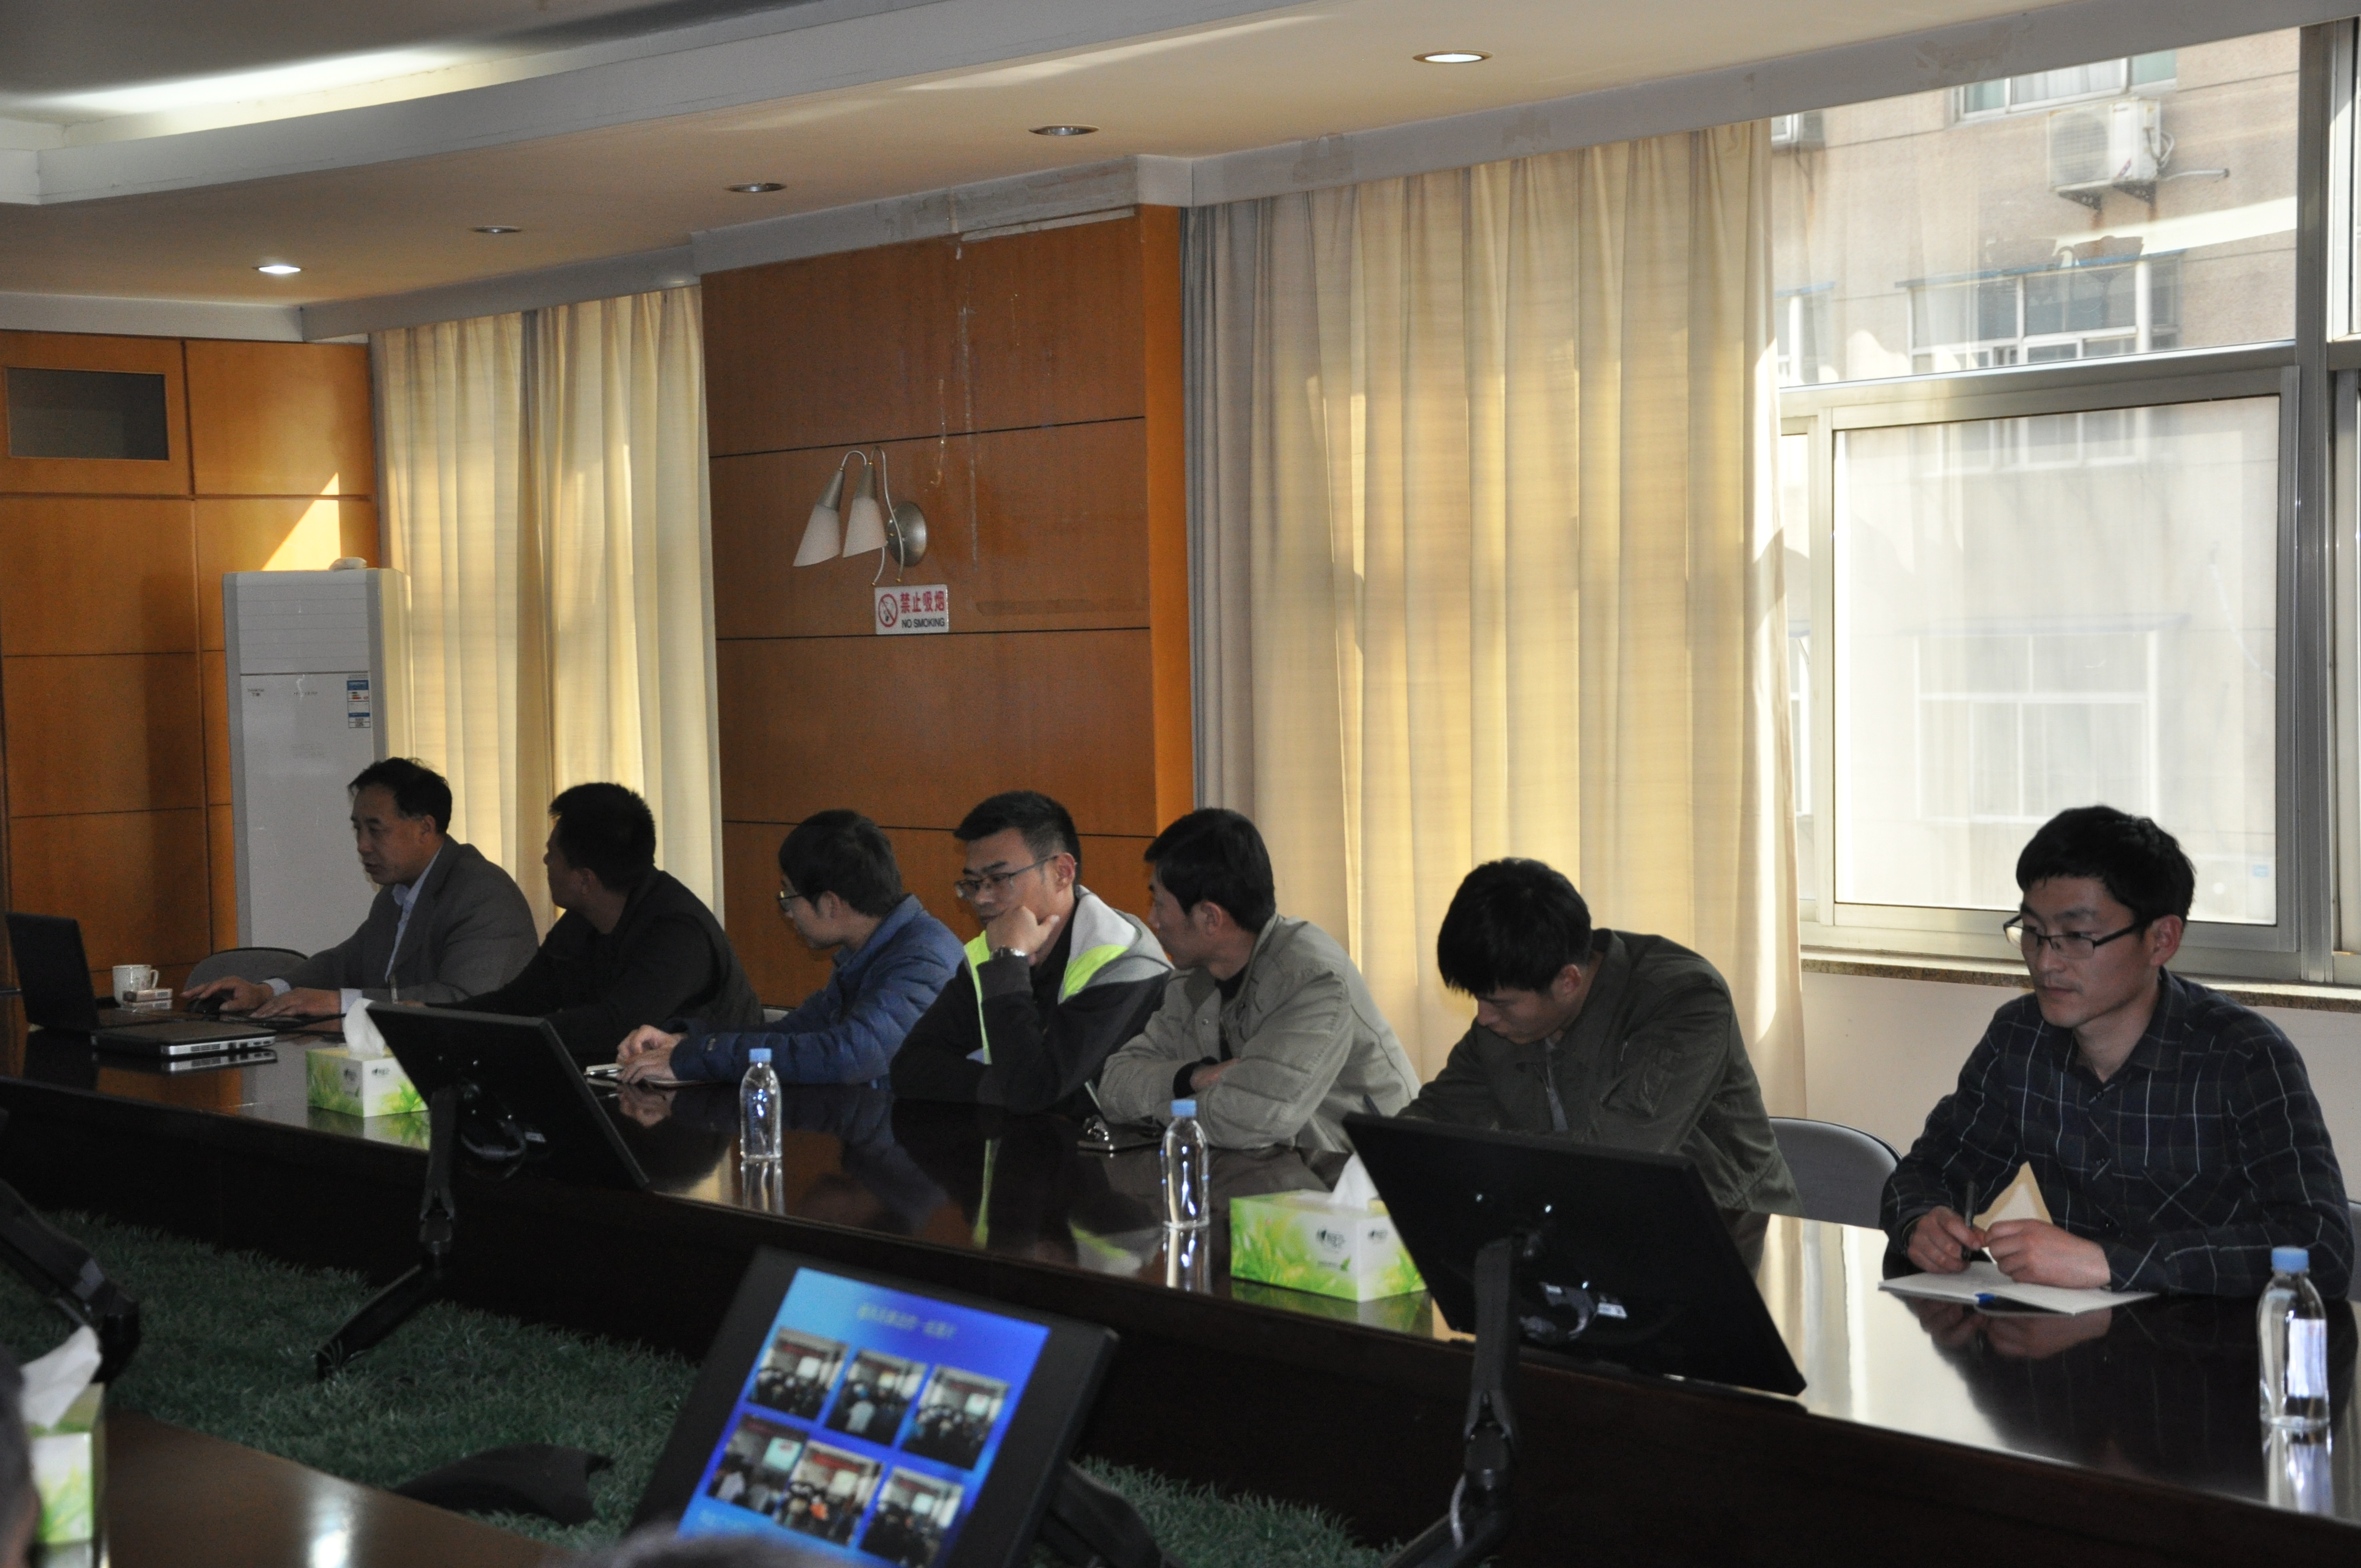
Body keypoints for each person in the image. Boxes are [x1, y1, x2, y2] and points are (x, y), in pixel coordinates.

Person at [1881, 805, 2353, 1297]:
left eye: (2077, 937)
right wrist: (1922, 1222)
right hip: (2078, 1334)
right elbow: (1931, 1171)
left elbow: (2322, 1248)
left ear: (2161, 940)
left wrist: (2107, 1263)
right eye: (2034, 933)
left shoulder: (2244, 1056)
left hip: (2220, 1340)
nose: (2045, 963)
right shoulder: (2020, 1038)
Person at [1400, 858, 1800, 1216]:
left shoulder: (1684, 1001)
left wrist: (1479, 1155)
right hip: (1586, 1227)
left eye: (1499, 1003)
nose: (1483, 1018)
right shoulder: (1510, 1013)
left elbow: (1617, 1160)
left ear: (1568, 981)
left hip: (1729, 1231)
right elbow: (1429, 1123)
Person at [1098, 809, 1419, 1151]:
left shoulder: (1312, 980)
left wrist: (1168, 1113)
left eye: (1160, 904)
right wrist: (1194, 1076)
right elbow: (1115, 1085)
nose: (1152, 919)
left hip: (1372, 1171)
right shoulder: (1194, 978)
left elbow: (1248, 1121)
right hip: (1279, 1172)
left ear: (1210, 918)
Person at [614, 810, 961, 1086]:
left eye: (789, 896)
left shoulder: (923, 959)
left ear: (830, 904)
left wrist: (698, 1058)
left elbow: (845, 1056)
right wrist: (685, 1042)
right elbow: (797, 1031)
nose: (788, 912)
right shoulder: (872, 950)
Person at [183, 758, 537, 1018]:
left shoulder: (483, 894)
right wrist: (266, 991)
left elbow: (464, 1000)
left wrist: (339, 1003)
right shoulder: (396, 894)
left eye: (376, 830)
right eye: (358, 829)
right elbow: (344, 963)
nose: (363, 846)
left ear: (425, 828)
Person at [887, 792, 1171, 1115]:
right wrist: (1005, 1087)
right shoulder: (989, 951)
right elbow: (910, 1068)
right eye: (973, 883)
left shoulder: (1123, 963)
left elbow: (1032, 1091)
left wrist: (1009, 961)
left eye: (999, 879)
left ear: (1062, 873)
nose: (981, 899)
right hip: (1029, 1141)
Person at [459, 783, 763, 1064]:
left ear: (586, 880)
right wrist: (440, 1021)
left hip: (712, 1090)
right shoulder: (583, 918)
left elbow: (616, 1026)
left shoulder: (678, 932)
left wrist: (513, 1033)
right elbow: (521, 1001)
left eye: (552, 854)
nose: (545, 861)